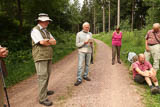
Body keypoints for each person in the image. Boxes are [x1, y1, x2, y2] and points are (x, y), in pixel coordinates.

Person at [31, 13, 56, 106]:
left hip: (48, 56)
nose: (47, 23)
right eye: (46, 21)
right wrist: (48, 41)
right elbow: (42, 42)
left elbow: (55, 41)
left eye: (48, 21)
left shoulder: (46, 31)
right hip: (40, 57)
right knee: (42, 77)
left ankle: (45, 91)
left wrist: (47, 41)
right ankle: (42, 98)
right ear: (40, 21)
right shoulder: (35, 30)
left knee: (47, 75)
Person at [74, 22, 93, 86]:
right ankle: (79, 79)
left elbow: (91, 42)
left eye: (88, 27)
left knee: (87, 64)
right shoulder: (79, 34)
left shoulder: (90, 34)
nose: (87, 28)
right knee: (80, 65)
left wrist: (91, 43)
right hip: (81, 51)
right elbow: (77, 44)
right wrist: (84, 43)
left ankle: (85, 75)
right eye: (86, 27)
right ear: (83, 27)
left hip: (89, 51)